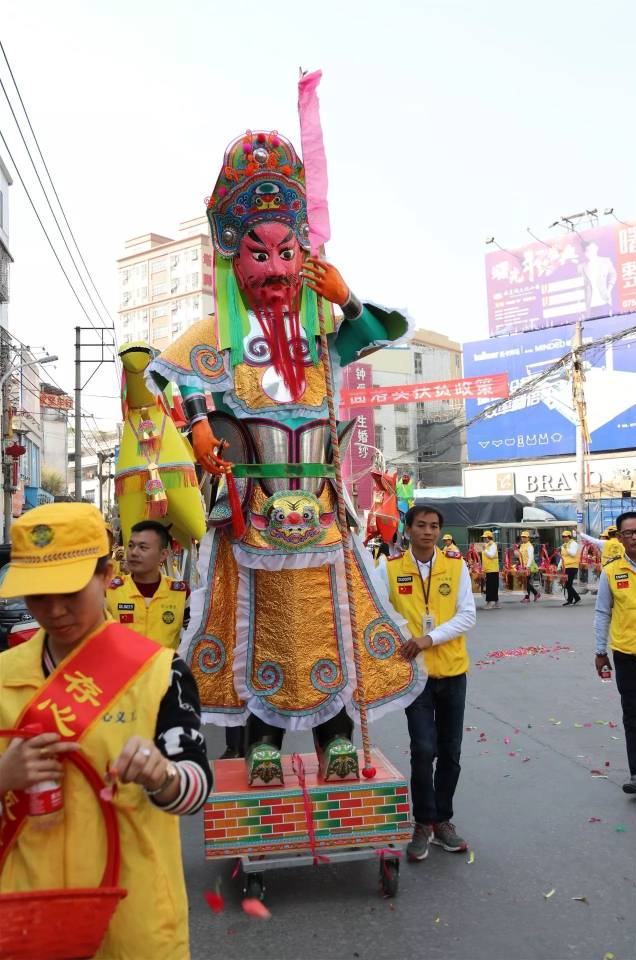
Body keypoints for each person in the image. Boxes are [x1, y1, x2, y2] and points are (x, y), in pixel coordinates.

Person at [146, 127, 424, 787]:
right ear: (231, 259)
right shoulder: (214, 338)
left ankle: (335, 739)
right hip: (254, 523)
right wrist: (199, 427)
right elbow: (171, 381)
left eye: (288, 252)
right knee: (261, 629)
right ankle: (264, 741)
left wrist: (346, 298)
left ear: (307, 255)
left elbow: (379, 330)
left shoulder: (323, 336)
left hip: (324, 524)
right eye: (258, 253)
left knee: (330, 626)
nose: (274, 269)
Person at [0, 503, 212, 959]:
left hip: (131, 914)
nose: (54, 611)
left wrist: (163, 776)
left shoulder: (160, 672)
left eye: (70, 592)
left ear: (105, 575)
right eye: (37, 596)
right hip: (27, 913)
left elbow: (196, 788)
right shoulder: (3, 675)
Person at [377, 505, 476, 861]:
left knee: (450, 751)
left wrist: (428, 638)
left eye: (434, 526)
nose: (428, 532)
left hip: (452, 672)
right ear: (408, 529)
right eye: (421, 525)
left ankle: (443, 822)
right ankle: (423, 821)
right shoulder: (387, 569)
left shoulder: (456, 565)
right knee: (422, 750)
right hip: (414, 678)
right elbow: (375, 614)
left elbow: (467, 615)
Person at [593, 511, 636, 796]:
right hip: (626, 656)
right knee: (633, 715)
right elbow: (602, 612)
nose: (635, 537)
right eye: (629, 533)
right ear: (619, 538)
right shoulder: (611, 571)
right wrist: (600, 651)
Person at [106, 520, 190, 651]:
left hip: (165, 670)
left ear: (162, 555)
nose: (133, 552)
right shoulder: (110, 591)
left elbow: (194, 638)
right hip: (124, 671)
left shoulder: (181, 593)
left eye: (143, 547)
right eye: (131, 545)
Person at [577, 241, 616, 320]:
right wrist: (581, 307)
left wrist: (609, 290)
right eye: (588, 250)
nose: (590, 252)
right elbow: (580, 286)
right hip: (590, 303)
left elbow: (613, 274)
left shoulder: (605, 261)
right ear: (585, 253)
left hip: (604, 300)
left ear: (596, 248)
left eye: (592, 249)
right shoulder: (582, 267)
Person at [518, 531, 540, 603]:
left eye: (525, 537)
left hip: (528, 566)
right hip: (523, 566)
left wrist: (527, 566)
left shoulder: (530, 546)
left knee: (526, 582)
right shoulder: (522, 545)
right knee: (526, 582)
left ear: (528, 538)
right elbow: (520, 555)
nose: (523, 538)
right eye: (522, 537)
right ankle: (535, 594)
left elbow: (530, 557)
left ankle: (528, 597)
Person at [560, 530, 581, 606]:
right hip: (565, 566)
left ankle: (575, 598)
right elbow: (562, 556)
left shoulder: (573, 543)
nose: (564, 538)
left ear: (569, 537)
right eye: (563, 536)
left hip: (572, 566)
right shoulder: (564, 545)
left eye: (566, 536)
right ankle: (572, 599)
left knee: (568, 584)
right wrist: (559, 566)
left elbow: (573, 553)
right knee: (568, 584)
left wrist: (566, 548)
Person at [481, 531, 500, 608]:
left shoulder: (493, 545)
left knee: (491, 586)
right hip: (488, 569)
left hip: (492, 569)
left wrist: (484, 550)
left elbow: (491, 555)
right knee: (492, 586)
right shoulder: (487, 545)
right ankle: (496, 602)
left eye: (485, 537)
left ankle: (491, 603)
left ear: (489, 537)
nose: (484, 539)